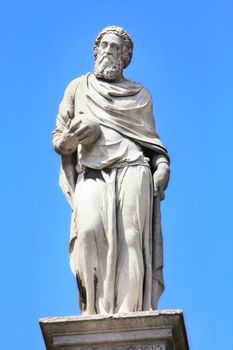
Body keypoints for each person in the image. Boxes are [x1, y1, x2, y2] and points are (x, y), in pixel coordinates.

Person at [52, 26, 170, 315]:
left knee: (132, 238)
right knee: (88, 232)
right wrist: (76, 137)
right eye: (104, 45)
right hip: (91, 170)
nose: (108, 51)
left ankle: (131, 311)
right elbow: (59, 140)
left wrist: (163, 168)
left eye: (115, 47)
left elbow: (153, 144)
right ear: (95, 50)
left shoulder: (140, 95)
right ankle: (92, 310)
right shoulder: (78, 88)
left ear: (125, 56)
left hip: (134, 168)